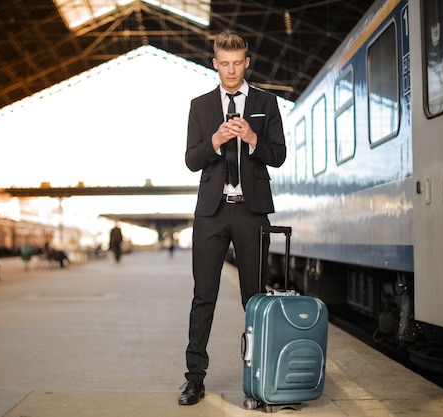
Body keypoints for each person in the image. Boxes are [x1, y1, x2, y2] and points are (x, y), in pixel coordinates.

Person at [179, 30, 286, 406]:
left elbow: (278, 155)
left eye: (237, 63)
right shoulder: (201, 105)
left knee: (254, 299)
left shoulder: (267, 102)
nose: (230, 70)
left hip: (251, 211)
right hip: (211, 213)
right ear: (214, 64)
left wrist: (254, 138)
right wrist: (216, 141)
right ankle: (194, 379)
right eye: (223, 63)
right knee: (203, 296)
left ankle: (259, 380)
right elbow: (192, 160)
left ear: (247, 62)